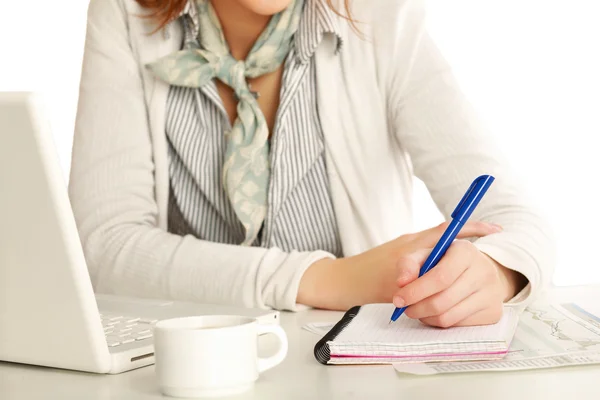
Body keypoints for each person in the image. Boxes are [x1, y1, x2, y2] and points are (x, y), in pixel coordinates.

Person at [69, 0, 554, 328]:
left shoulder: (380, 18)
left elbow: (515, 218)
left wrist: (493, 274)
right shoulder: (126, 12)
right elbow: (102, 249)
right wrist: (331, 280)